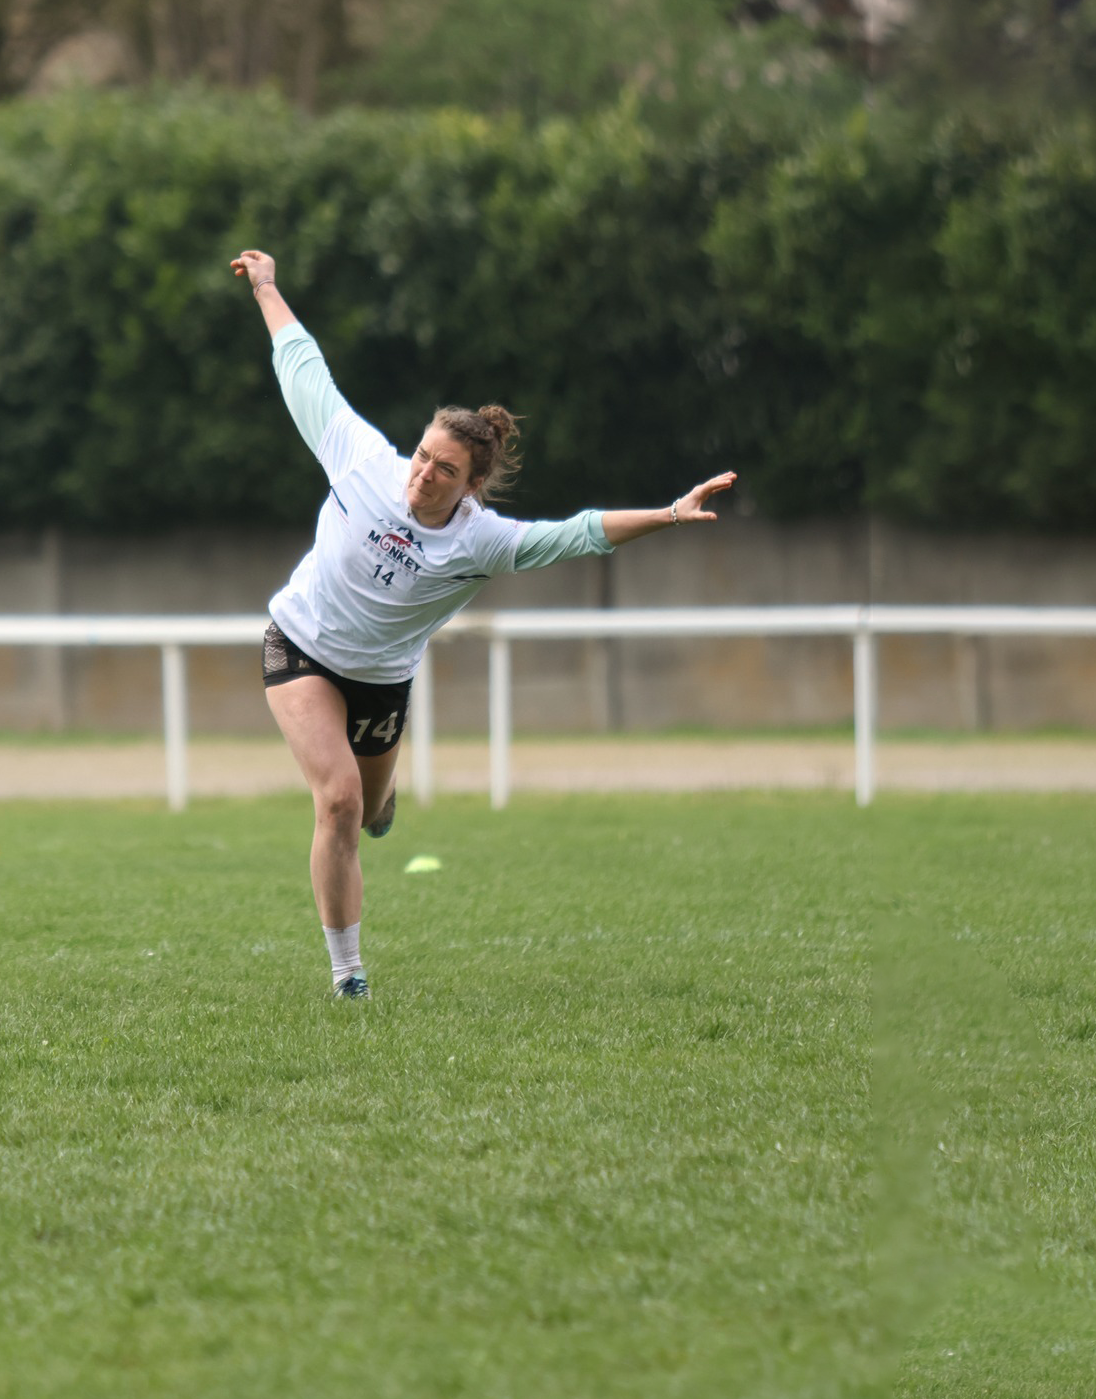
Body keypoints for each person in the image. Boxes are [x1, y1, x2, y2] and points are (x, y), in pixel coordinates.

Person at [230, 249, 734, 998]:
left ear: (470, 486)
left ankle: (382, 797)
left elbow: (581, 531)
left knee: (367, 812)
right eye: (424, 455)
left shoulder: (482, 541)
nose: (422, 474)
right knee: (334, 800)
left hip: (381, 683)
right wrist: (268, 287)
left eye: (443, 470)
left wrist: (668, 513)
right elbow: (303, 368)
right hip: (299, 647)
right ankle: (348, 977)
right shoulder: (363, 460)